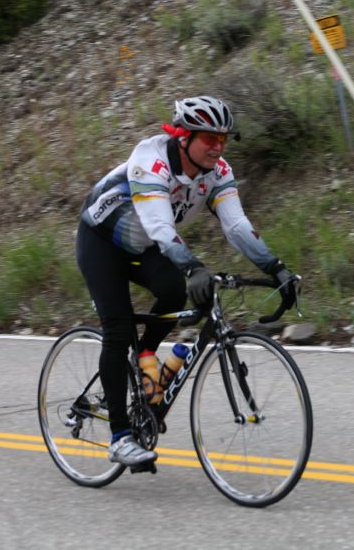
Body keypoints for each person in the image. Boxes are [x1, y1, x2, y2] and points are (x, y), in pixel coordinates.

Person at [75, 95, 297, 466]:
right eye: (209, 138)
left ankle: (146, 359)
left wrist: (276, 268)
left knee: (174, 292)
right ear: (183, 136)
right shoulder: (152, 162)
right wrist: (193, 266)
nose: (218, 146)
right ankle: (119, 437)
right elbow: (161, 226)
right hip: (101, 242)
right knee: (117, 328)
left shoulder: (218, 172)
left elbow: (237, 226)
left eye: (223, 138)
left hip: (143, 245)